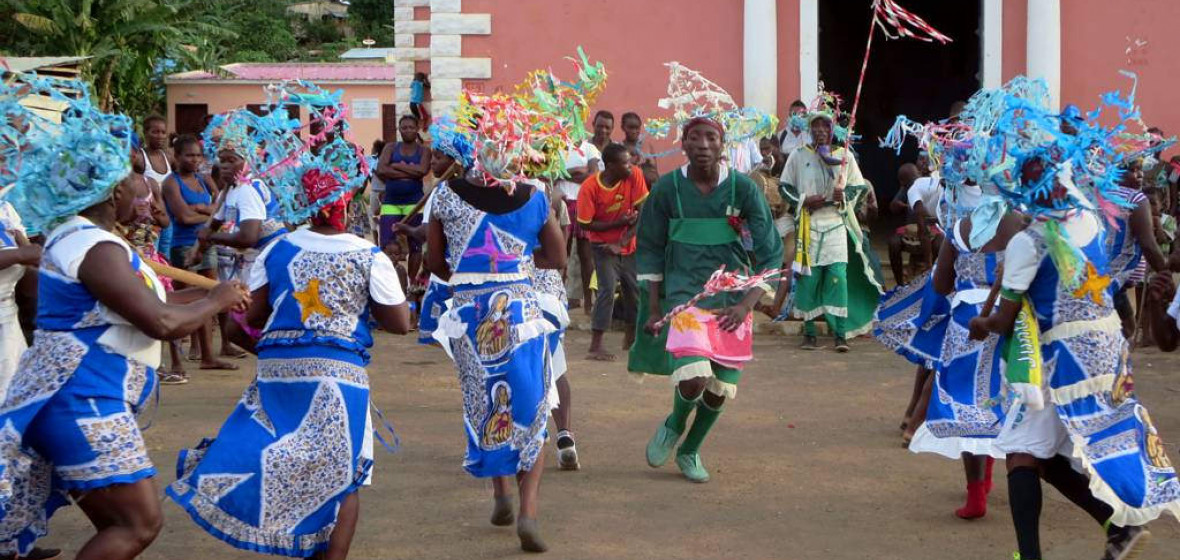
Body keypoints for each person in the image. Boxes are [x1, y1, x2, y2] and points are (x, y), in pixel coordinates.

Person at [0, 81, 249, 560]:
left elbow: (141, 310)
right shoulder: (91, 247)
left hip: (80, 397)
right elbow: (159, 322)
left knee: (121, 521)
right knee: (137, 524)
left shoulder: (89, 241)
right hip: (81, 399)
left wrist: (217, 298)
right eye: (134, 176)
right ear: (113, 189)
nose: (143, 187)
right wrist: (215, 300)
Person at [169, 163, 410, 559]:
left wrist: (282, 346)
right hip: (339, 378)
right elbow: (399, 323)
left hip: (279, 377)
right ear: (346, 202)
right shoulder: (369, 255)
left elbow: (241, 324)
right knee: (345, 478)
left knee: (285, 458)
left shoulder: (277, 249)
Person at [970, 158, 1179, 560]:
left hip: (1062, 361)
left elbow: (1004, 320)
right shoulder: (1088, 219)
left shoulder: (1027, 243)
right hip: (1107, 352)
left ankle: (1036, 554)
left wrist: (981, 323)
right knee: (1044, 456)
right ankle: (1119, 530)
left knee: (1021, 453)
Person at [629, 116, 783, 484]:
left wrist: (746, 304)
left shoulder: (743, 189)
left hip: (732, 302)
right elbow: (649, 248)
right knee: (694, 377)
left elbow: (771, 255)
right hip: (685, 298)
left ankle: (689, 449)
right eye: (694, 138)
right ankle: (674, 423)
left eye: (710, 137)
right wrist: (654, 307)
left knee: (718, 391)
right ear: (683, 143)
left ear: (722, 143)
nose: (702, 145)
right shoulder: (668, 189)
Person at [426, 166, 567, 553]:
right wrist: (514, 263)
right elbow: (557, 256)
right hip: (519, 312)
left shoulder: (446, 194)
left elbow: (434, 262)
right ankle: (529, 512)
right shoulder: (535, 196)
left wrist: (473, 270)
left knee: (487, 401)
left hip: (470, 315)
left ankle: (501, 492)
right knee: (531, 406)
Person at [781, 111, 883, 351]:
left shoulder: (844, 156)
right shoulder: (798, 155)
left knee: (838, 278)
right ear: (809, 130)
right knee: (808, 279)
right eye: (815, 126)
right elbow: (785, 187)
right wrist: (804, 200)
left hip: (836, 222)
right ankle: (809, 333)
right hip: (809, 224)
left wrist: (843, 196)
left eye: (825, 126)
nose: (820, 130)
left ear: (832, 129)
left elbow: (858, 187)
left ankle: (840, 334)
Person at [161, 134, 236, 375]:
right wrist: (210, 215)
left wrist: (202, 210)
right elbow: (183, 217)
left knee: (210, 295)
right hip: (183, 245)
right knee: (182, 300)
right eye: (188, 155)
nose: (194, 160)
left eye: (197, 155)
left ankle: (207, 355)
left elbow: (221, 209)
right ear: (177, 156)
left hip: (206, 243)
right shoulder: (171, 183)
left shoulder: (204, 180)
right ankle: (177, 361)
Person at [577, 143, 648, 361]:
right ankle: (595, 345)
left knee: (633, 290)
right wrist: (617, 224)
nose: (631, 165)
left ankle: (631, 338)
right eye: (625, 162)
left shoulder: (634, 174)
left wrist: (623, 240)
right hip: (602, 246)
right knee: (607, 289)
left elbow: (644, 212)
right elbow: (586, 224)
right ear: (610, 166)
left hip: (628, 244)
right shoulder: (590, 187)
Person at [1106, 158, 1172, 341]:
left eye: (1140, 170)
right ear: (1118, 173)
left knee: (1127, 326)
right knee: (1123, 330)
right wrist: (1169, 283)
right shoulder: (1134, 198)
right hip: (1112, 279)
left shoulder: (1097, 194)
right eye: (1134, 170)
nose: (1140, 174)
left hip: (1093, 275)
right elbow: (1149, 246)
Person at [376, 115, 431, 282]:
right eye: (404, 127)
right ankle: (389, 280)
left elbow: (422, 171)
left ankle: (411, 281)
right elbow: (381, 170)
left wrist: (396, 166)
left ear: (417, 130)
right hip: (391, 200)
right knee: (386, 243)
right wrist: (409, 171)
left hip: (415, 201)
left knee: (415, 244)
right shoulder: (391, 147)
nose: (408, 130)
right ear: (399, 130)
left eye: (411, 127)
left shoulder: (424, 150)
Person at [556, 138, 602, 314]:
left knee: (586, 256)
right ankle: (558, 296)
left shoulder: (589, 148)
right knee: (561, 253)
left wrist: (564, 173)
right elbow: (552, 173)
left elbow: (593, 175)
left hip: (583, 203)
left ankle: (588, 302)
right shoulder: (558, 145)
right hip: (563, 202)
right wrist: (576, 171)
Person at [621, 112, 660, 187]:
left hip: (651, 189)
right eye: (631, 128)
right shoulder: (620, 148)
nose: (634, 131)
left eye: (637, 128)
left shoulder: (648, 146)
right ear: (623, 127)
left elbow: (655, 170)